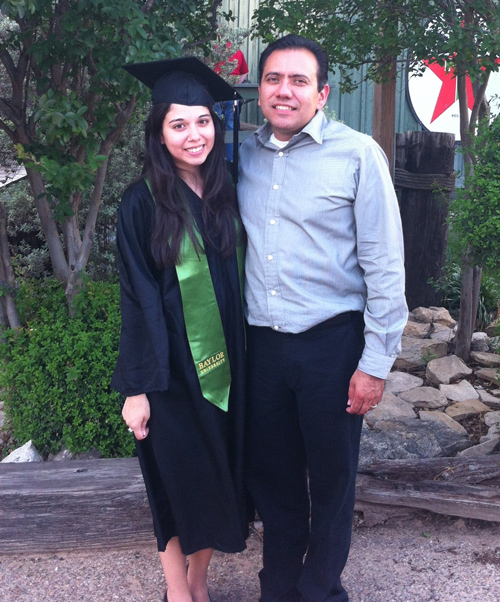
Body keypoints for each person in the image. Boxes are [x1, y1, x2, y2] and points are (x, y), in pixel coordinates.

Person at [237, 35, 408, 602]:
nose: (284, 91)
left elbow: (385, 264)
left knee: (332, 482)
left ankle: (321, 591)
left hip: (331, 346)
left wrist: (375, 363)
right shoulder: (240, 156)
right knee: (275, 480)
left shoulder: (358, 154)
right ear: (259, 90)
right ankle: (279, 588)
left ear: (323, 92)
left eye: (299, 81)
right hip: (260, 347)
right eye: (273, 79)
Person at [111, 57, 247, 602]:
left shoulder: (226, 188)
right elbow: (136, 298)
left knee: (219, 475)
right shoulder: (139, 203)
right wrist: (136, 388)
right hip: (170, 374)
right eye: (178, 123)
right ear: (159, 132)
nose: (194, 135)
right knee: (173, 482)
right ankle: (177, 593)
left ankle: (199, 582)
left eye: (202, 121)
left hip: (229, 364)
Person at [214, 42, 249, 161]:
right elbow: (244, 72)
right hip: (231, 93)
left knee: (213, 128)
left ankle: (214, 162)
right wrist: (237, 85)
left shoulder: (212, 49)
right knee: (231, 129)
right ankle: (232, 163)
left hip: (214, 93)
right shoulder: (236, 51)